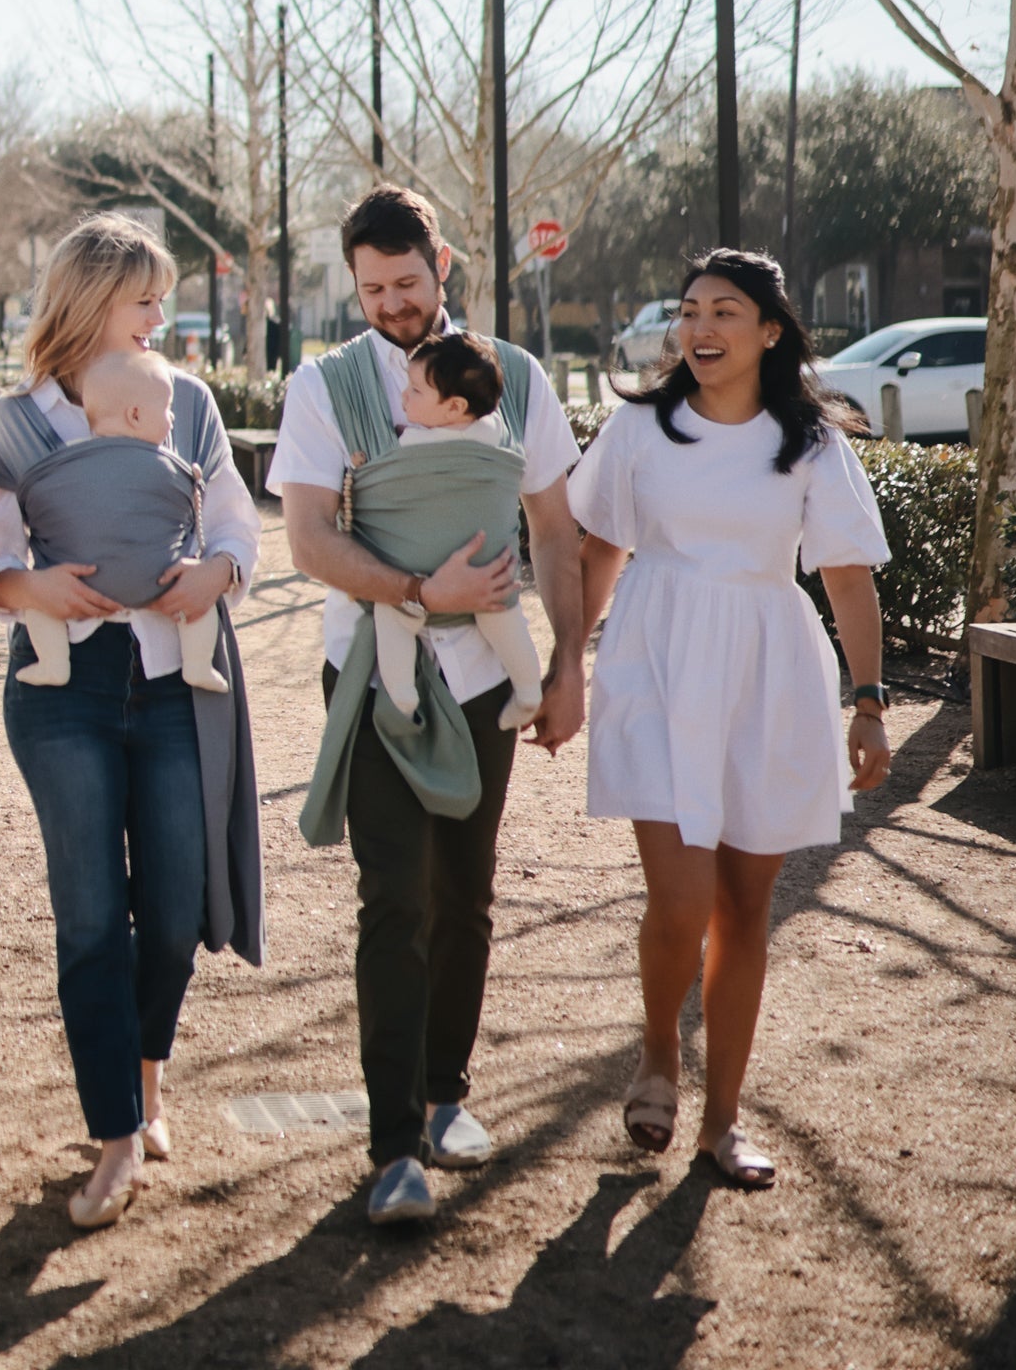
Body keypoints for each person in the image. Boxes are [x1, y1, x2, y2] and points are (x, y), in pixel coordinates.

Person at [268, 185, 585, 1227]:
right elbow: (308, 536)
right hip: (371, 668)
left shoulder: (515, 378)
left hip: (488, 676)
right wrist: (415, 592)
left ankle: (447, 1092)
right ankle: (390, 1142)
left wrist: (566, 658)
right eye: (371, 289)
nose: (391, 305)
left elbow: (551, 525)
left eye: (406, 283)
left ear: (440, 263)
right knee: (390, 898)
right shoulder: (326, 385)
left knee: (465, 891)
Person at [570, 249, 891, 1190]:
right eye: (689, 310)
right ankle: (659, 1055)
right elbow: (597, 552)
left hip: (768, 672)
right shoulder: (639, 429)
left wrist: (869, 706)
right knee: (677, 902)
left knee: (745, 907)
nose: (700, 328)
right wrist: (561, 668)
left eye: (723, 311)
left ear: (770, 332)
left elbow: (847, 579)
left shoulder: (812, 444)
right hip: (658, 664)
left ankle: (721, 1123)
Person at [0, 213, 262, 1231]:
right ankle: (112, 1136)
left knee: (177, 906)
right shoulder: (16, 421)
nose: (159, 314)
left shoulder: (185, 403)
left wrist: (218, 571)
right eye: (145, 297)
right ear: (90, 297)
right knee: (92, 914)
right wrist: (30, 585)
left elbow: (234, 520)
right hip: (64, 696)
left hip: (179, 681)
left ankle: (148, 1075)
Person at [9, 348, 226, 695]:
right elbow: (195, 506)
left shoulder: (65, 463)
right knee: (201, 606)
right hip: (159, 583)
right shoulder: (171, 464)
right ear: (136, 415)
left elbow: (39, 499)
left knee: (39, 605)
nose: (172, 419)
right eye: (167, 409)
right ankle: (198, 665)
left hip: (79, 584)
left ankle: (53, 663)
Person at [375, 332, 544, 730]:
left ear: (453, 407)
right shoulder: (497, 437)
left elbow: (388, 486)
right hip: (487, 566)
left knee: (391, 609)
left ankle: (400, 691)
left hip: (418, 561)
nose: (403, 397)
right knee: (505, 621)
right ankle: (528, 690)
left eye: (415, 390)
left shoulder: (411, 441)